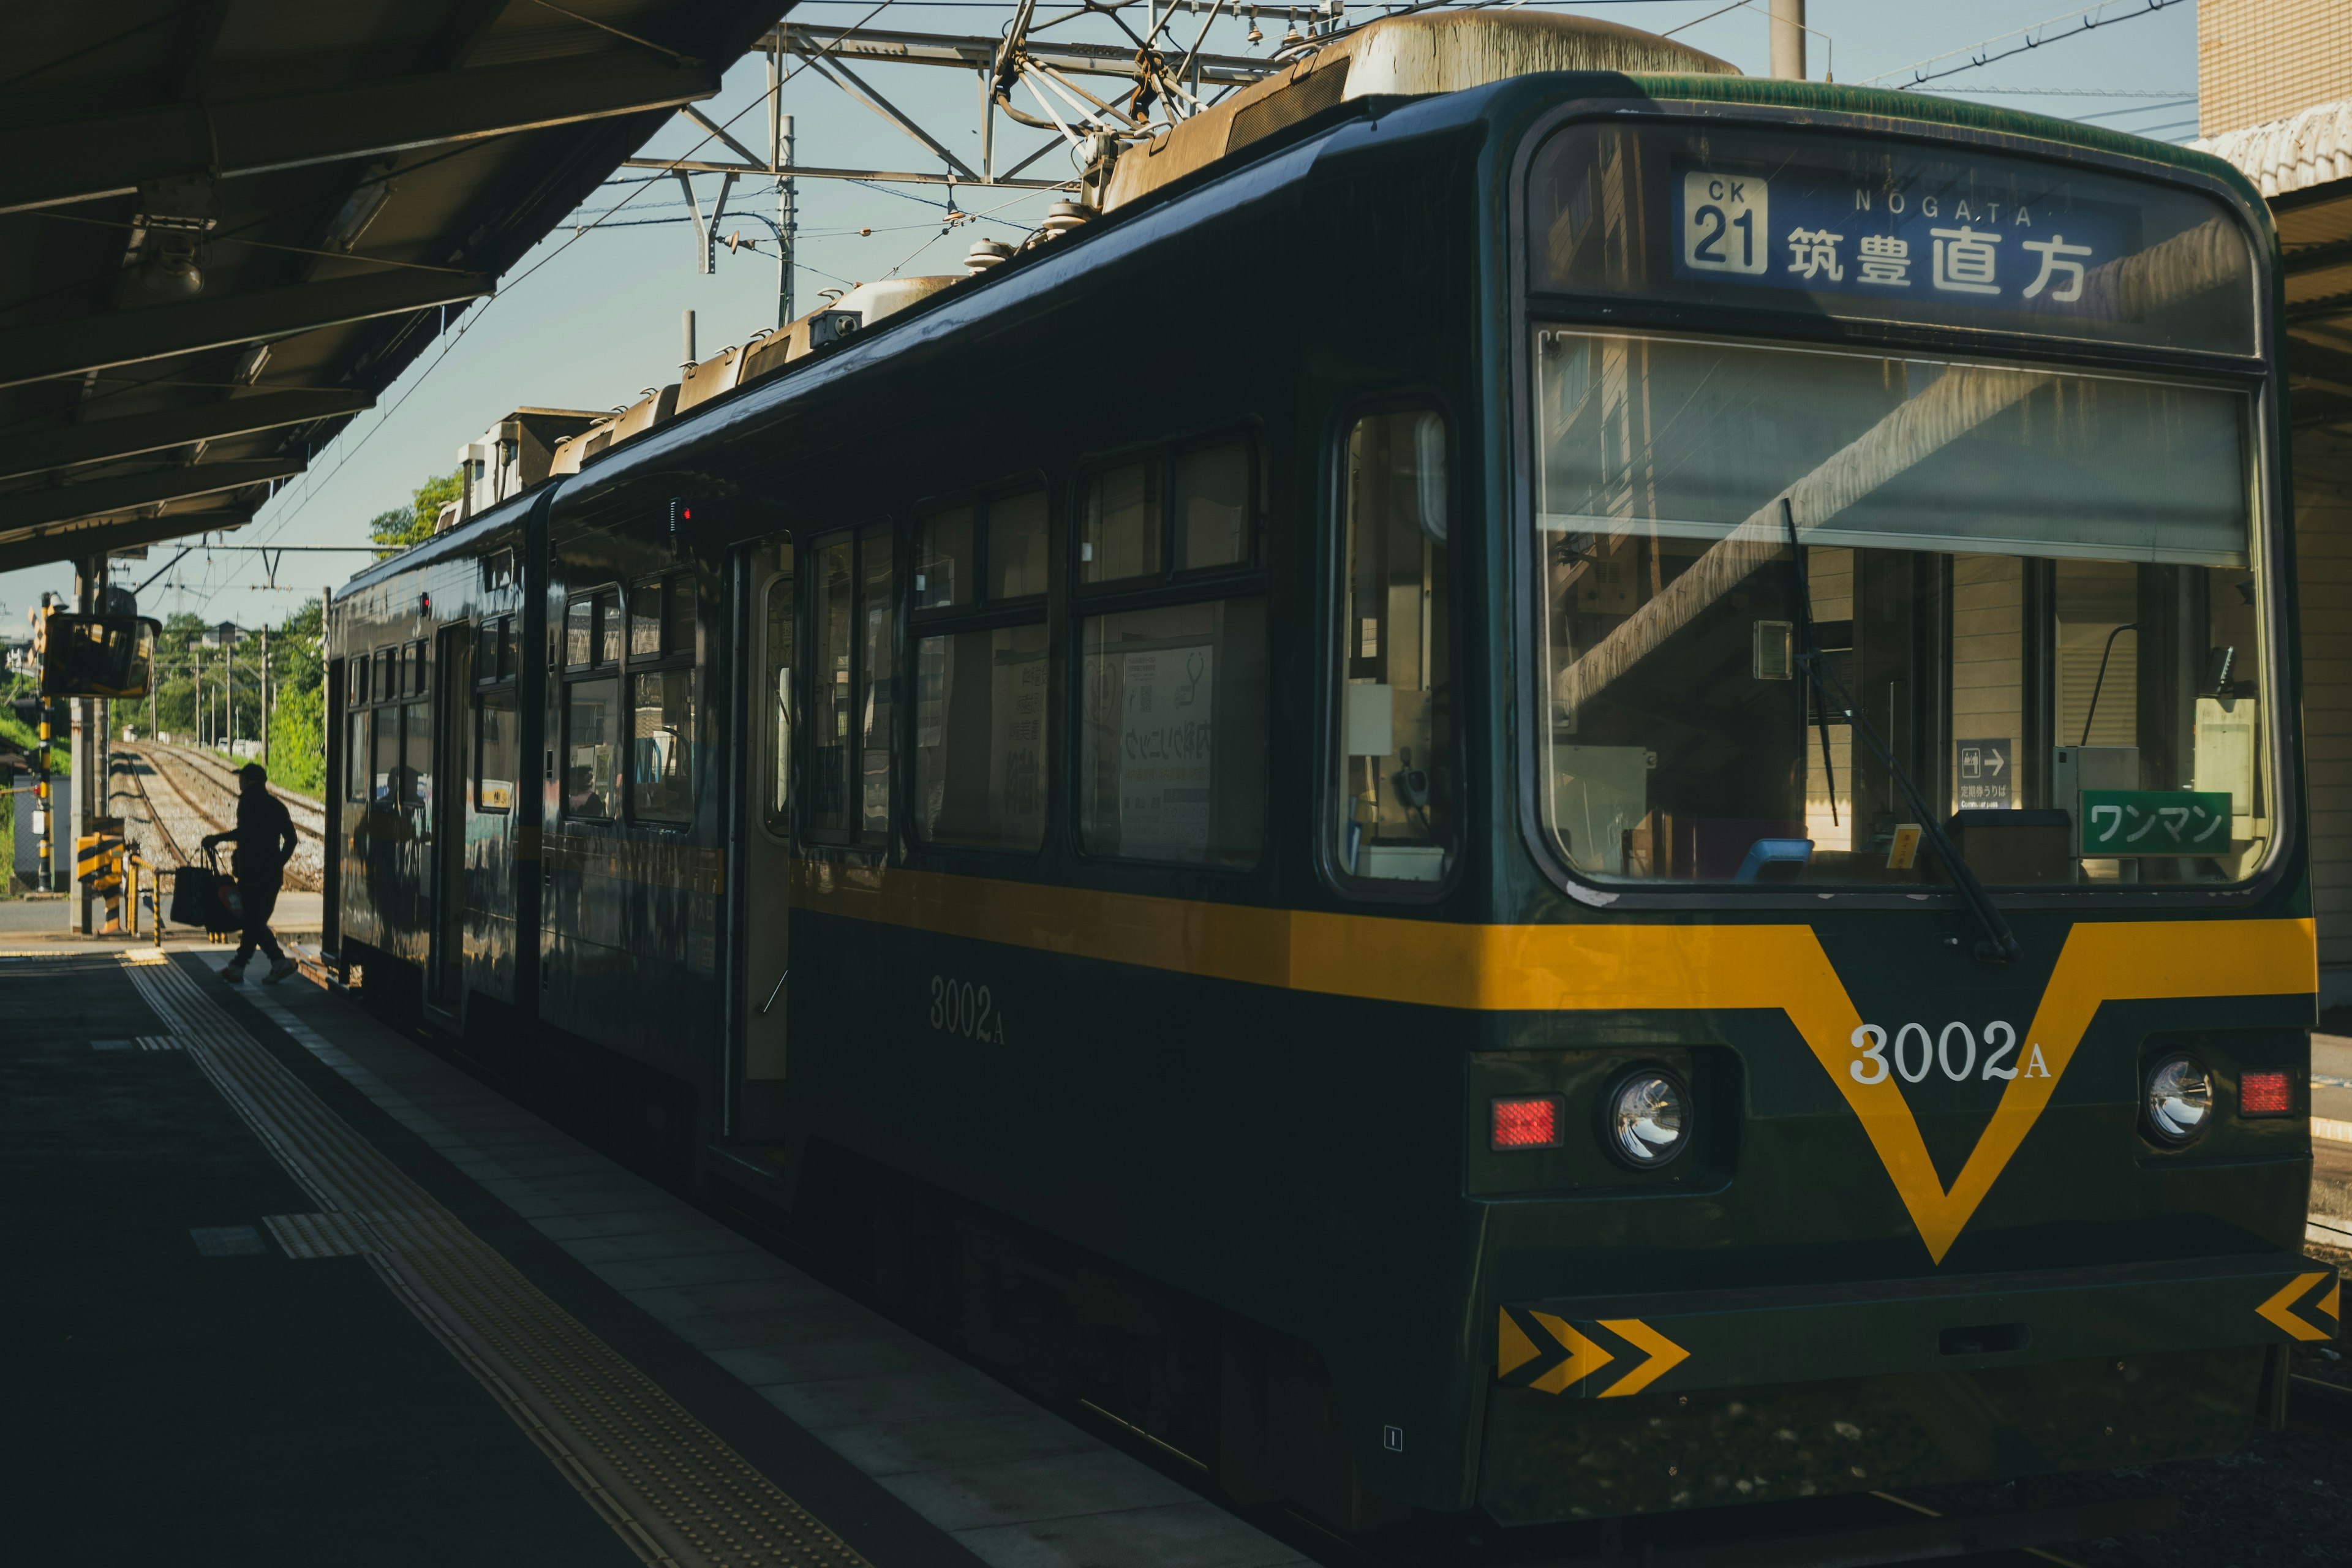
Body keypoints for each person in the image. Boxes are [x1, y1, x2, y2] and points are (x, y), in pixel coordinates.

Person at [202, 763, 298, 985]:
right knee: (255, 921)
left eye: (242, 778)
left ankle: (274, 962)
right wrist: (278, 863)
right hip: (272, 876)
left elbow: (245, 833)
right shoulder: (277, 805)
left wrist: (217, 839)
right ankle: (240, 966)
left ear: (248, 781)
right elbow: (292, 841)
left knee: (252, 921)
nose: (239, 782)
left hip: (253, 873)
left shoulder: (247, 803)